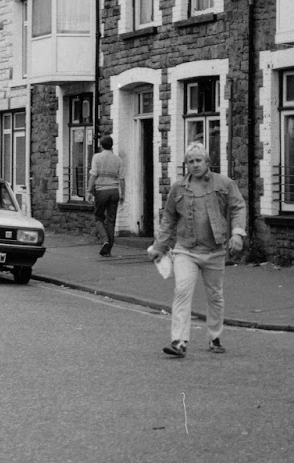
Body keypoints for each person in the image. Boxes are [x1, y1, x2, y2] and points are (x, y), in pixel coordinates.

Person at [147, 142, 247, 358]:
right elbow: (169, 219)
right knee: (182, 291)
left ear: (207, 162)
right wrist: (159, 246)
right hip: (185, 250)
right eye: (190, 161)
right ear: (186, 165)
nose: (194, 165)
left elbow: (238, 206)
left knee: (215, 295)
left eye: (198, 160)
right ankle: (179, 342)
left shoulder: (224, 183)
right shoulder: (178, 188)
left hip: (214, 250)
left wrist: (237, 233)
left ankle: (214, 336)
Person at [87, 134, 124, 256]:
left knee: (98, 217)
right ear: (111, 145)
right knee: (111, 220)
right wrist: (122, 193)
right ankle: (108, 250)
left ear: (101, 145)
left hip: (101, 191)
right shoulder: (118, 159)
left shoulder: (97, 157)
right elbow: (122, 178)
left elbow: (93, 175)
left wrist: (89, 191)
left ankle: (105, 240)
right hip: (114, 191)